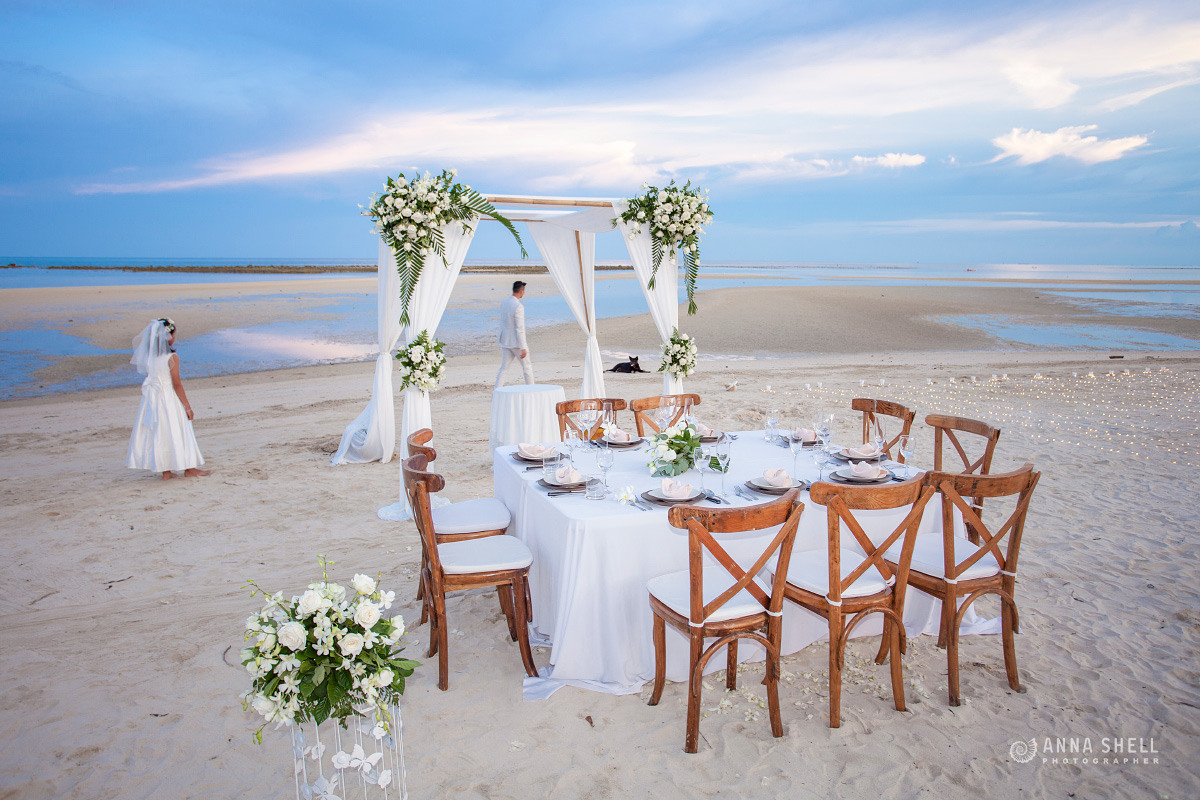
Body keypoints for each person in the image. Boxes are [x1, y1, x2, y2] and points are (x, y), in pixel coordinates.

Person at [127, 318, 211, 480]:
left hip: (154, 400)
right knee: (179, 429)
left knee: (161, 432)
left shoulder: (150, 358)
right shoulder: (171, 358)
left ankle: (166, 471)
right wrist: (187, 406)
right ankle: (189, 468)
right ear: (168, 336)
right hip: (168, 398)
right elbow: (176, 384)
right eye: (173, 334)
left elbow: (151, 377)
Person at [495, 280, 535, 389]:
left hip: (505, 340)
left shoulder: (504, 302)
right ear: (521, 291)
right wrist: (523, 347)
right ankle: (532, 391)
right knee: (527, 368)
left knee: (503, 368)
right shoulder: (518, 306)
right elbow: (519, 328)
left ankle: (496, 392)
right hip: (516, 343)